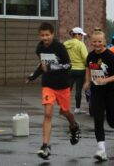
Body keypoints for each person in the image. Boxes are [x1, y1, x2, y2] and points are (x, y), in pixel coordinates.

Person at [26, 22, 80, 160]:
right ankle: (45, 145)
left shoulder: (60, 47)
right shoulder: (39, 48)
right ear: (39, 35)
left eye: (47, 35)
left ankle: (73, 126)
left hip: (62, 86)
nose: (45, 38)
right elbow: (42, 65)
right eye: (42, 35)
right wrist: (33, 76)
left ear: (52, 34)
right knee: (48, 113)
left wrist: (51, 69)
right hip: (48, 85)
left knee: (65, 112)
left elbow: (68, 65)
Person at [82, 30, 114, 161]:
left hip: (112, 91)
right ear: (91, 42)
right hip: (97, 91)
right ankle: (101, 150)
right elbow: (88, 68)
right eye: (94, 42)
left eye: (100, 41)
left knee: (111, 120)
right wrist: (87, 81)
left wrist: (105, 80)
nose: (97, 44)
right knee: (98, 118)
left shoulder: (111, 57)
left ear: (104, 42)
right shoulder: (90, 56)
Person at [64, 27, 89, 114]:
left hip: (69, 69)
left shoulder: (65, 44)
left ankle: (64, 107)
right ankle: (77, 109)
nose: (82, 37)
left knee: (67, 90)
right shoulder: (80, 44)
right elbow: (86, 58)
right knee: (78, 90)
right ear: (77, 35)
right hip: (80, 70)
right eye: (81, 35)